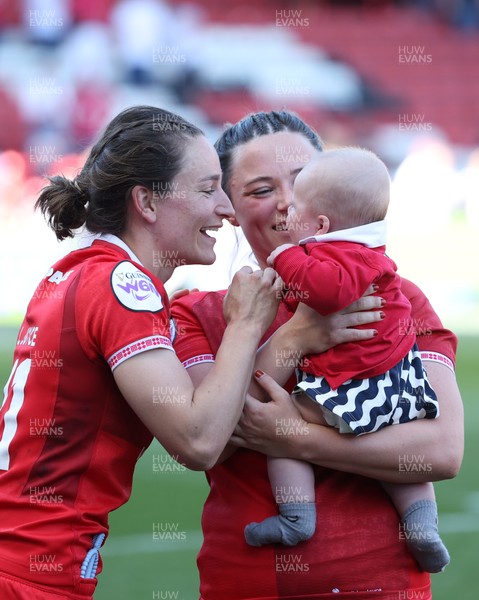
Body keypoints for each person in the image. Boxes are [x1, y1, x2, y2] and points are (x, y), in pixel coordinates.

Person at [171, 110, 464, 599]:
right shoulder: (198, 314)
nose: (288, 203)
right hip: (249, 582)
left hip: (384, 584)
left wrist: (296, 439)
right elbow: (208, 443)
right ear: (231, 211)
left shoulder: (397, 298)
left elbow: (441, 451)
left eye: (302, 181)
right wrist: (294, 338)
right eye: (261, 191)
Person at [0, 105, 289, 600]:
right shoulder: (121, 283)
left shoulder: (80, 270)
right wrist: (248, 325)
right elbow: (199, 442)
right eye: (206, 189)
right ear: (147, 203)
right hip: (29, 571)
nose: (226, 208)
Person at [242, 146, 448, 574]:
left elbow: (328, 291)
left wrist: (285, 254)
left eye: (295, 198)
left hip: (353, 390)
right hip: (395, 388)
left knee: (280, 425)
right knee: (398, 451)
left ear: (321, 224)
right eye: (263, 189)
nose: (284, 206)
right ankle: (422, 522)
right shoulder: (371, 250)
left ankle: (296, 516)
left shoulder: (332, 257)